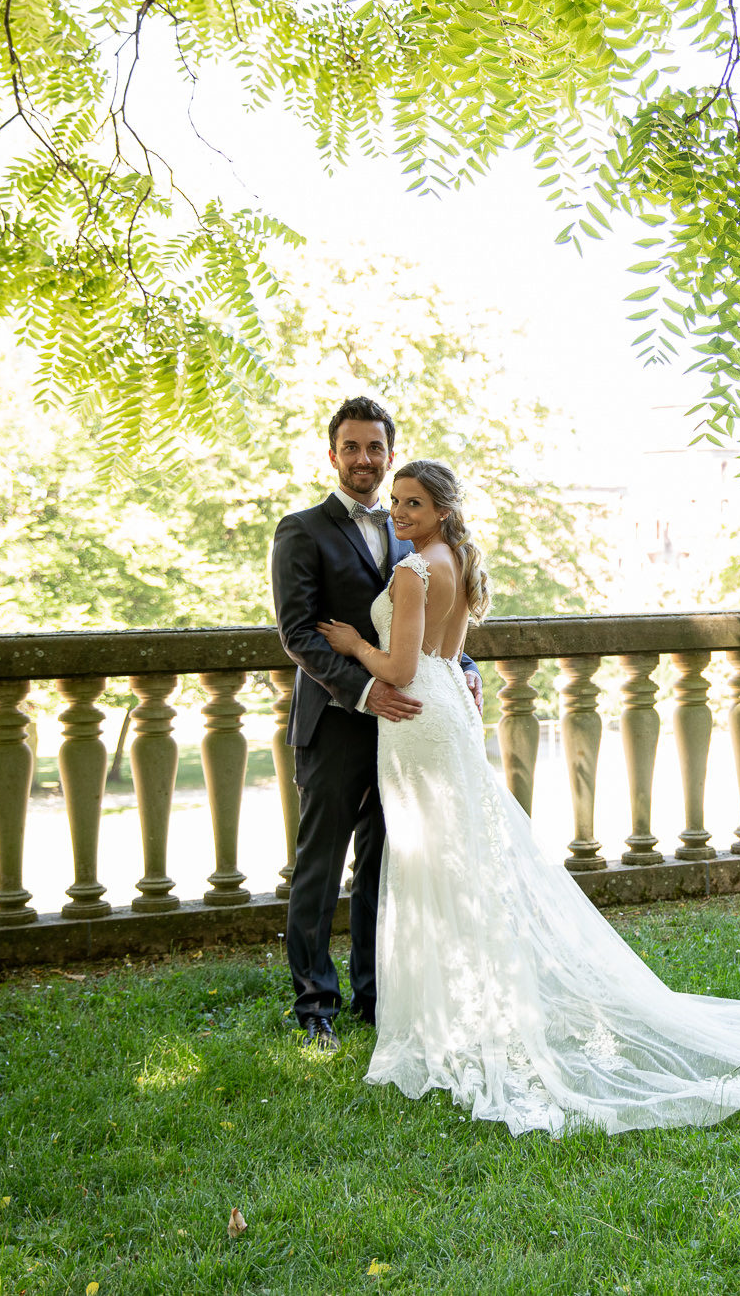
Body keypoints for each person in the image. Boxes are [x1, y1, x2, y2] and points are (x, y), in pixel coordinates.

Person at [314, 459, 740, 1136]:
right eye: (397, 502)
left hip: (413, 718)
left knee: (436, 863)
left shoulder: (412, 570)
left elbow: (402, 667)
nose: (399, 512)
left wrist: (353, 645)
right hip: (446, 715)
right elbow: (448, 655)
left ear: (439, 509)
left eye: (412, 502)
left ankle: (448, 1023)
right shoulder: (456, 557)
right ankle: (469, 1014)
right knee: (463, 865)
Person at [271, 399, 482, 1051]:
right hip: (339, 720)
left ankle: (374, 993)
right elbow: (299, 633)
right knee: (320, 864)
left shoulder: (407, 529)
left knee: (386, 865)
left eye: (375, 447)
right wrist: (365, 689)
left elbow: (424, 619)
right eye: (352, 446)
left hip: (407, 730)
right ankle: (314, 1005)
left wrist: (463, 665)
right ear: (333, 454)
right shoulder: (300, 530)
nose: (364, 458)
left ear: (389, 454)